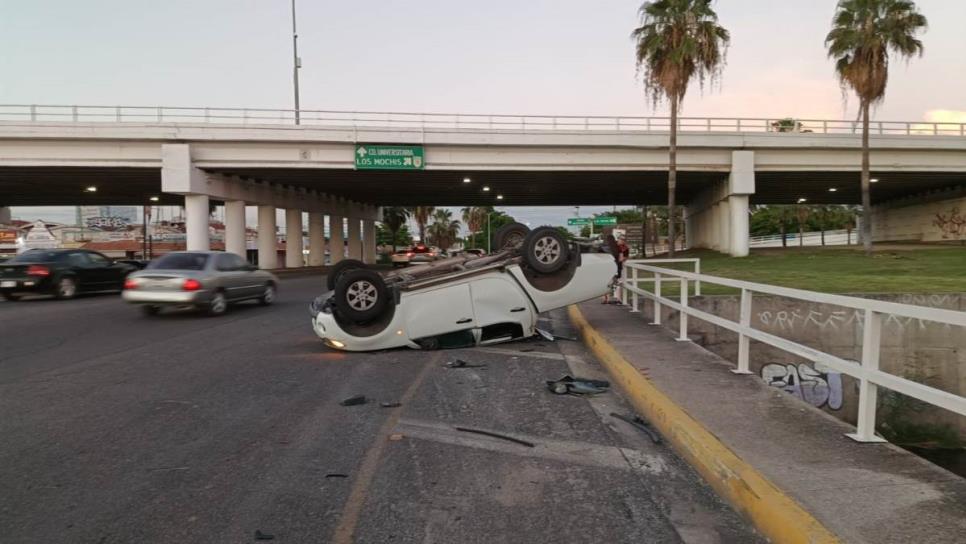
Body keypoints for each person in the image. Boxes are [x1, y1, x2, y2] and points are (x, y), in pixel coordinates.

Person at [602, 234, 620, 304]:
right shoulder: (616, 247)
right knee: (615, 282)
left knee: (605, 283)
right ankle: (618, 298)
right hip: (615, 266)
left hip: (606, 266)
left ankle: (606, 299)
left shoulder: (604, 247)